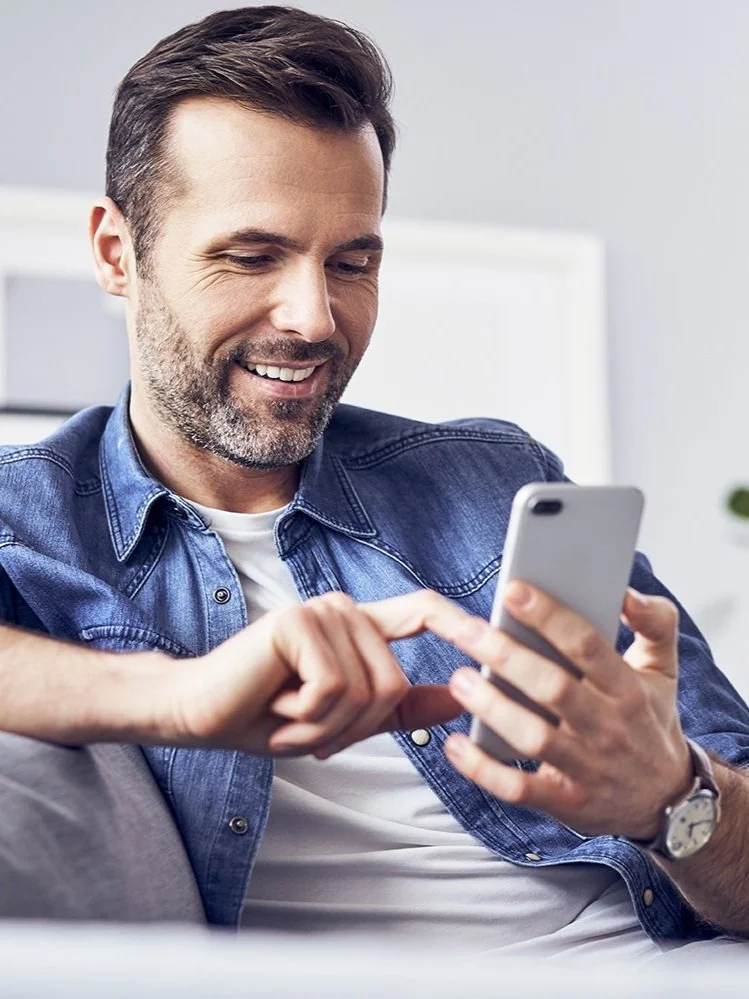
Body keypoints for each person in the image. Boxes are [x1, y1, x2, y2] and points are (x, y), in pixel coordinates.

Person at [1, 4, 748, 960]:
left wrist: (670, 797)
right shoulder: (28, 520)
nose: (314, 318)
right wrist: (179, 696)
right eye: (251, 256)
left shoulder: (492, 479)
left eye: (351, 263)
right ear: (118, 254)